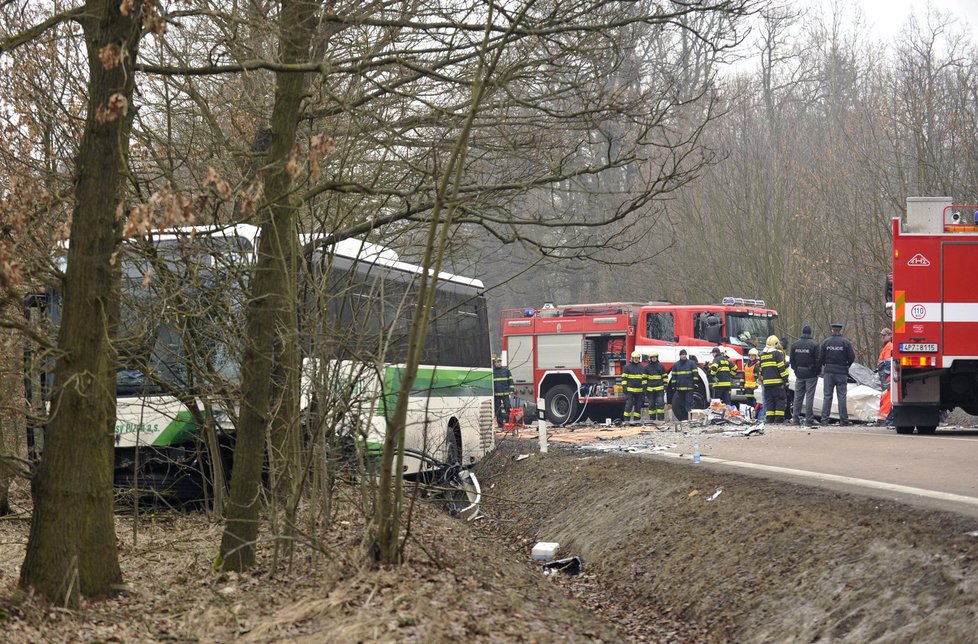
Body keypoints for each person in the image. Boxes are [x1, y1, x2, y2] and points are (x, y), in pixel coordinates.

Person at [819, 322, 855, 426]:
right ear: (840, 330)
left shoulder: (826, 342)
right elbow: (851, 357)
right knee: (842, 396)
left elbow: (820, 358)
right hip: (842, 372)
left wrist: (825, 365)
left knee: (827, 396)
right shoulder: (846, 342)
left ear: (832, 330)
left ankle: (824, 420)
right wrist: (846, 365)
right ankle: (843, 420)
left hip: (829, 372)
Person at [789, 324, 820, 426]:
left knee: (797, 397)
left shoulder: (795, 344)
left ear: (802, 332)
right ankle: (808, 420)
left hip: (799, 374)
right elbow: (818, 361)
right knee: (809, 397)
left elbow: (792, 360)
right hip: (811, 374)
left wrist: (796, 370)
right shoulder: (814, 345)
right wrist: (816, 372)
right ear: (810, 333)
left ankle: (795, 419)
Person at [757, 335, 790, 423]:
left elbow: (760, 370)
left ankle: (770, 419)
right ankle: (778, 420)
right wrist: (786, 381)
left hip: (767, 384)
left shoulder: (762, 355)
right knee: (780, 401)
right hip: (777, 383)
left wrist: (762, 381)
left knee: (769, 401)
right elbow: (781, 369)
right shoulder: (777, 354)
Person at [668, 349, 697, 422]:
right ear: (680, 355)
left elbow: (695, 374)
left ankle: (689, 419)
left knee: (688, 404)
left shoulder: (691, 363)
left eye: (685, 354)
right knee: (681, 404)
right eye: (682, 354)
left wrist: (694, 383)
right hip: (679, 389)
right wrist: (674, 386)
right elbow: (673, 376)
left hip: (689, 388)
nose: (684, 355)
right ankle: (683, 419)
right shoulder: (676, 365)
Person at [621, 351, 646, 422]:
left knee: (638, 407)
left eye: (637, 358)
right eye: (635, 358)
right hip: (630, 391)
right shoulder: (627, 367)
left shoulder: (642, 368)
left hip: (639, 391)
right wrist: (624, 387)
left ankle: (637, 421)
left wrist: (644, 388)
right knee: (629, 405)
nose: (636, 359)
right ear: (632, 358)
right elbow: (624, 378)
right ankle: (626, 421)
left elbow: (644, 379)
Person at [876, 327, 893, 426]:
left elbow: (887, 362)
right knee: (885, 396)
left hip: (887, 376)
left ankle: (884, 418)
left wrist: (884, 374)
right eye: (882, 335)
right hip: (886, 375)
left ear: (889, 335)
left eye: (884, 335)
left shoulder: (889, 346)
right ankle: (885, 418)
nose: (882, 337)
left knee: (886, 397)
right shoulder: (886, 346)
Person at [492, 355, 514, 429]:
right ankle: (500, 425)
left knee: (508, 408)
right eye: (497, 362)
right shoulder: (492, 372)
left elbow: (510, 380)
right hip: (496, 394)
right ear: (494, 363)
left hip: (505, 393)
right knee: (497, 410)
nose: (498, 363)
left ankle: (508, 423)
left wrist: (511, 390)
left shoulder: (506, 370)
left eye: (499, 362)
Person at [644, 351, 667, 421]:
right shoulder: (646, 367)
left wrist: (665, 385)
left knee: (660, 404)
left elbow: (664, 376)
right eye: (652, 357)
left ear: (657, 358)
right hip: (650, 390)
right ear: (650, 358)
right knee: (651, 405)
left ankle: (661, 419)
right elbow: (644, 378)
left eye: (655, 357)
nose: (654, 358)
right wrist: (644, 387)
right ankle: (652, 420)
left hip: (659, 389)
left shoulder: (661, 366)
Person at [742, 348, 760, 419]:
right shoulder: (746, 364)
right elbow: (743, 376)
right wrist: (741, 386)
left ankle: (755, 416)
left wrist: (757, 386)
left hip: (754, 387)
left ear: (756, 356)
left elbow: (758, 377)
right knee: (748, 403)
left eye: (753, 355)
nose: (751, 357)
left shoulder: (757, 365)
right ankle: (749, 416)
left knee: (755, 403)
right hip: (747, 387)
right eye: (750, 355)